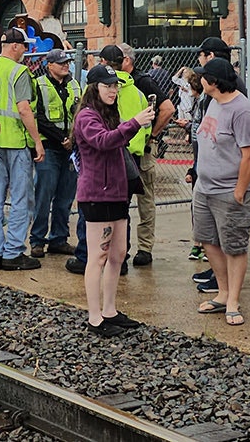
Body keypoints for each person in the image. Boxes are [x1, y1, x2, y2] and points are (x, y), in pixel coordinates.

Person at [72, 63, 154, 337]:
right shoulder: (86, 116)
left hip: (116, 192)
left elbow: (115, 140)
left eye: (115, 85)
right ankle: (95, 317)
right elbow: (104, 141)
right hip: (97, 194)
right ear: (94, 88)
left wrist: (131, 126)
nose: (114, 90)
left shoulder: (107, 113)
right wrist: (134, 123)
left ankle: (109, 309)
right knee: (98, 256)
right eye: (108, 86)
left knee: (118, 254)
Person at [191, 56, 250, 328]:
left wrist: (239, 192)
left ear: (212, 82)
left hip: (230, 191)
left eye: (203, 76)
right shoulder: (212, 102)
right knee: (208, 241)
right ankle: (222, 293)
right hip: (205, 188)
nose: (199, 79)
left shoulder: (242, 111)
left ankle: (233, 300)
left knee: (234, 246)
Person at [0, 28, 46, 270]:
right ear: (15, 46)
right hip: (15, 142)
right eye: (24, 47)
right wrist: (37, 141)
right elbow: (24, 109)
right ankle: (13, 252)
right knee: (20, 198)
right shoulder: (19, 72)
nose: (26, 52)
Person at [118, 42, 174, 266]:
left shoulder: (143, 82)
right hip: (122, 150)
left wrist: (152, 136)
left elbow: (168, 108)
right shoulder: (115, 85)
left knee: (145, 200)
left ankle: (144, 248)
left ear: (127, 61)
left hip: (142, 152)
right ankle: (125, 248)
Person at [29, 49, 81, 259]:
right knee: (43, 195)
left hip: (70, 149)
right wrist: (62, 138)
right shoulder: (39, 84)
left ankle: (59, 239)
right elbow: (38, 116)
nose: (65, 66)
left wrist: (73, 139)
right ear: (49, 65)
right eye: (60, 63)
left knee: (65, 198)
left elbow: (80, 113)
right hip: (50, 146)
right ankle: (38, 240)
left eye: (66, 62)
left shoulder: (75, 85)